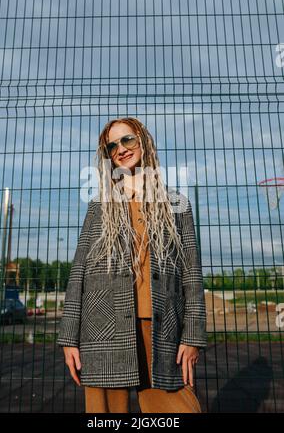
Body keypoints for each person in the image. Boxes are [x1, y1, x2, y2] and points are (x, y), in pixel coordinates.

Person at [57, 116, 207, 413]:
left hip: (161, 329)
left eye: (127, 139)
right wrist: (68, 338)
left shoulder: (178, 205)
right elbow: (78, 273)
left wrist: (192, 336)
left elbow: (192, 275)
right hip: (102, 330)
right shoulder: (99, 207)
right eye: (112, 146)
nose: (121, 149)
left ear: (144, 141)